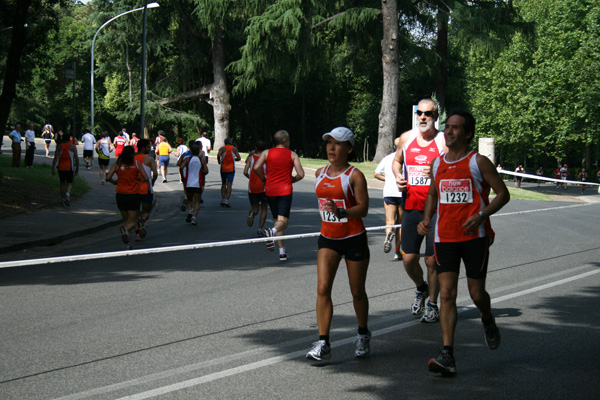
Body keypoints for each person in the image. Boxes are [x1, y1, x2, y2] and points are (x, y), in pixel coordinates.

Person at [417, 110, 510, 376]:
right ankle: (448, 354)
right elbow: (433, 195)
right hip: (444, 237)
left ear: (467, 134)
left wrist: (481, 215)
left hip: (474, 238)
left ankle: (488, 318)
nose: (448, 131)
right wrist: (426, 220)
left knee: (477, 294)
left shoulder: (477, 162)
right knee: (446, 294)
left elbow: (503, 194)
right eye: (447, 127)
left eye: (456, 128)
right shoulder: (437, 163)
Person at [306, 127, 371, 361]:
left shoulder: (354, 175)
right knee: (323, 288)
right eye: (329, 143)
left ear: (349, 148)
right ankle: (323, 342)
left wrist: (341, 211)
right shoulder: (319, 173)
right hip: (328, 238)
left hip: (353, 238)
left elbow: (363, 208)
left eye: (338, 143)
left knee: (357, 292)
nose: (332, 148)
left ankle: (363, 333)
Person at [392, 98, 447, 323]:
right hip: (412, 207)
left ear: (436, 116)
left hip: (436, 210)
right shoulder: (406, 138)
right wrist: (397, 176)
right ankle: (421, 287)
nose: (423, 117)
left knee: (431, 261)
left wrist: (437, 170)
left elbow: (454, 167)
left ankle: (433, 304)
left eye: (429, 114)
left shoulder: (443, 140)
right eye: (420, 113)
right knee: (409, 259)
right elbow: (396, 162)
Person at [253, 130, 305, 261]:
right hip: (285, 191)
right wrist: (293, 179)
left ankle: (282, 252)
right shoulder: (292, 154)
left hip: (270, 190)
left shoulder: (266, 153)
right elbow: (301, 174)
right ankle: (272, 233)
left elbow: (256, 167)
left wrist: (263, 179)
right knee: (283, 222)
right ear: (285, 141)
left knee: (277, 221)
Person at [106, 146, 149, 248]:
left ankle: (128, 243)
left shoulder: (117, 164)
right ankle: (125, 230)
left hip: (120, 194)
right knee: (133, 221)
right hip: (133, 195)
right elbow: (146, 178)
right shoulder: (137, 164)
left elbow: (108, 177)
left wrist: (115, 182)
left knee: (126, 219)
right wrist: (138, 181)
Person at [374, 138, 403, 260]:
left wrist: (388, 180)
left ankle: (388, 235)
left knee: (390, 221)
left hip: (389, 192)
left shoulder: (387, 158)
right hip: (402, 193)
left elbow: (376, 173)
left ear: (394, 147)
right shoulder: (406, 158)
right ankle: (397, 251)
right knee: (400, 223)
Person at [134, 139, 158, 241]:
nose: (150, 149)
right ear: (143, 148)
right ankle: (142, 222)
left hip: (133, 188)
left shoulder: (133, 158)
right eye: (148, 147)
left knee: (135, 212)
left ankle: (137, 234)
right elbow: (155, 173)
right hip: (145, 187)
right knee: (146, 211)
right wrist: (152, 181)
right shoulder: (149, 159)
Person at [180, 144, 209, 225]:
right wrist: (202, 174)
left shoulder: (187, 159)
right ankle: (194, 217)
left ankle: (189, 211)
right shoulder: (201, 160)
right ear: (199, 150)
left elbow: (181, 167)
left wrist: (183, 176)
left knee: (189, 200)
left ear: (191, 151)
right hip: (197, 183)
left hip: (188, 183)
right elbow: (206, 171)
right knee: (197, 201)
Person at [243, 140, 268, 235]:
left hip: (252, 187)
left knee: (255, 208)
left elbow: (245, 172)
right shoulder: (266, 159)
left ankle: (252, 213)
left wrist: (250, 178)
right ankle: (260, 229)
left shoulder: (251, 158)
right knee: (264, 208)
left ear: (255, 148)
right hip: (264, 187)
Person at [51, 131, 79, 206]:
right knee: (69, 183)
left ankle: (63, 198)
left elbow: (55, 158)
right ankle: (67, 194)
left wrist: (53, 168)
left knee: (62, 182)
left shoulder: (59, 146)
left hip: (61, 167)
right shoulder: (72, 146)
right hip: (70, 167)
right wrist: (77, 168)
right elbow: (76, 158)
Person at [217, 137, 241, 207]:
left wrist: (219, 161)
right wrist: (234, 160)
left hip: (223, 168)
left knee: (223, 183)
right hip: (231, 168)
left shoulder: (222, 148)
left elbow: (218, 155)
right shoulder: (234, 149)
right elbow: (239, 158)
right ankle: (227, 200)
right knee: (229, 184)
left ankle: (223, 199)